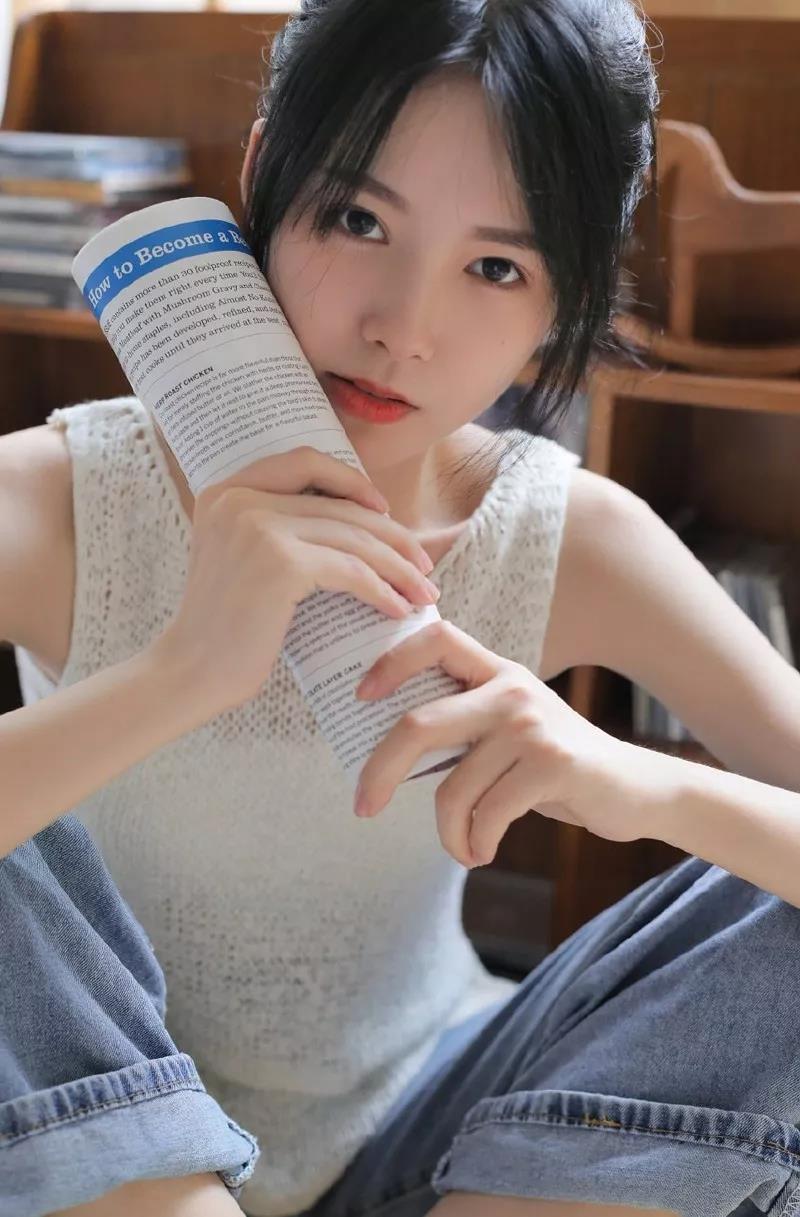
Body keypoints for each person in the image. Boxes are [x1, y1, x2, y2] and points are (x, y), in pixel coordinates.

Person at [2, 0, 800, 1214]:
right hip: (102, 1157)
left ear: (563, 293)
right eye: (356, 218)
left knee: (768, 887)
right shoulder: (61, 498)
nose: (399, 330)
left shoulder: (562, 534)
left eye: (495, 266)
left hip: (439, 1145)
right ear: (265, 172)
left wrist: (639, 785)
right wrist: (183, 670)